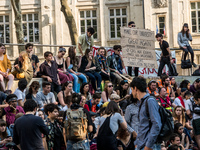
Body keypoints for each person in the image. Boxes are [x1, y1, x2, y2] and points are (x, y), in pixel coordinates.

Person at [130, 77, 162, 150]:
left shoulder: (150, 101)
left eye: (131, 90)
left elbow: (156, 124)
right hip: (141, 145)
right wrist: (137, 144)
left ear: (135, 88)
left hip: (149, 146)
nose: (131, 93)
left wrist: (148, 146)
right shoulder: (142, 102)